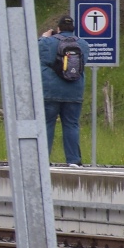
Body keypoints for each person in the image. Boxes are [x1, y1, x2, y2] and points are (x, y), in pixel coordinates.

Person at [39, 15, 87, 166]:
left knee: (47, 123)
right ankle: (73, 160)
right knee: (71, 124)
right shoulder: (83, 44)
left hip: (50, 92)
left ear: (58, 29)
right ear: (73, 29)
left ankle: (43, 160)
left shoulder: (47, 42)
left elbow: (32, 51)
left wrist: (43, 37)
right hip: (74, 92)